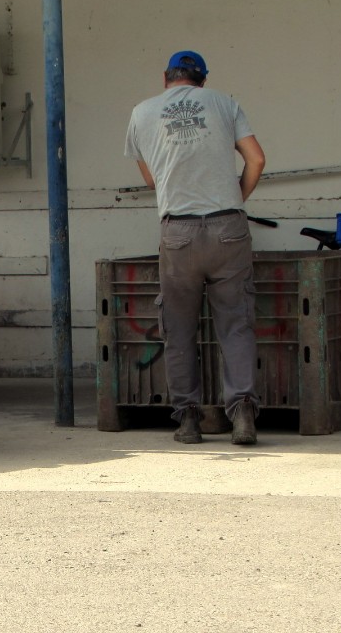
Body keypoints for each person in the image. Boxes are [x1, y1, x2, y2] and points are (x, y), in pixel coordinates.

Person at [124, 50, 266, 445]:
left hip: (178, 233)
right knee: (236, 325)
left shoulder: (141, 113)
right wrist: (236, 196)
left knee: (180, 329)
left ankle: (187, 420)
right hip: (228, 228)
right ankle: (242, 418)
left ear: (166, 77)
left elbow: (153, 181)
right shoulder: (225, 103)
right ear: (202, 80)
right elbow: (256, 159)